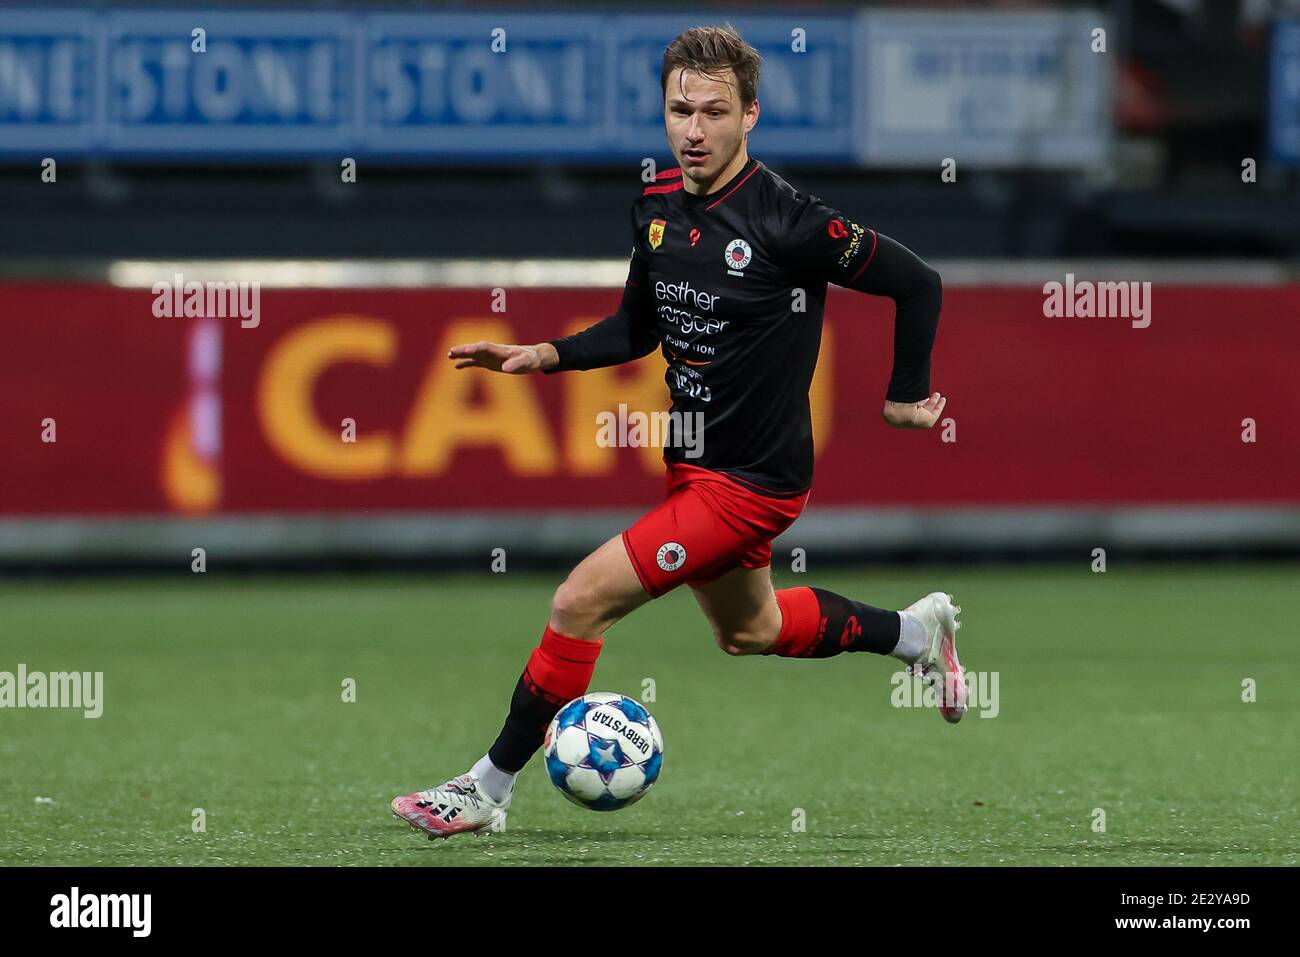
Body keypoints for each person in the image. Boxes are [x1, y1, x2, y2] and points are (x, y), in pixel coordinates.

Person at [391, 23, 965, 840]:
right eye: (679, 110)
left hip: (756, 484)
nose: (694, 130)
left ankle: (485, 788)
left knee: (579, 599)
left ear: (751, 116)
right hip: (692, 463)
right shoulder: (657, 205)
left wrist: (909, 393)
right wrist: (544, 353)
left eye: (715, 112)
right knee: (750, 630)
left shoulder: (792, 223)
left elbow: (920, 282)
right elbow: (637, 329)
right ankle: (918, 633)